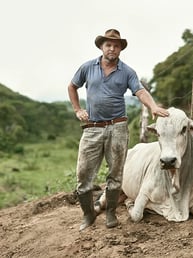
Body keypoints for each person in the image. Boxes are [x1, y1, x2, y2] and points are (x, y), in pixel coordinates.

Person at [68, 29, 169, 231]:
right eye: (108, 45)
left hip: (118, 128)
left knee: (116, 175)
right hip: (93, 129)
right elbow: (72, 86)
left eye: (116, 45)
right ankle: (88, 215)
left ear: (120, 49)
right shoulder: (87, 67)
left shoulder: (127, 72)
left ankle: (111, 212)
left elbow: (140, 91)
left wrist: (154, 107)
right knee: (83, 175)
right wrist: (78, 109)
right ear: (101, 47)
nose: (112, 48)